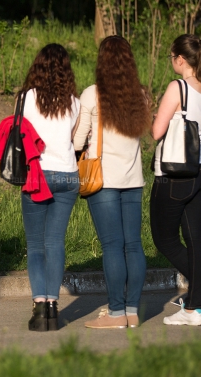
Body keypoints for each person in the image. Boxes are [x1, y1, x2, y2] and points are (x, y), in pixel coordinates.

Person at [151, 34, 201, 326]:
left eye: (172, 57)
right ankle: (197, 306)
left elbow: (157, 132)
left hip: (175, 175)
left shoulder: (178, 88)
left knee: (165, 239)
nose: (171, 61)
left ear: (181, 60)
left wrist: (156, 116)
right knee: (196, 239)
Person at [73, 35, 151, 329]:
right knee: (133, 244)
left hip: (103, 179)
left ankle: (116, 314)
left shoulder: (92, 94)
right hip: (133, 179)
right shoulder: (140, 95)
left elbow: (79, 140)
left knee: (112, 246)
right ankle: (132, 311)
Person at [19, 44, 80, 332]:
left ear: (38, 66)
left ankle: (39, 308)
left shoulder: (26, 97)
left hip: (36, 174)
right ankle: (53, 309)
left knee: (35, 245)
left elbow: (19, 133)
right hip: (68, 175)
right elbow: (73, 139)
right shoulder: (73, 101)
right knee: (55, 242)